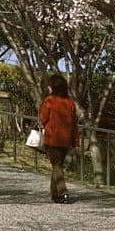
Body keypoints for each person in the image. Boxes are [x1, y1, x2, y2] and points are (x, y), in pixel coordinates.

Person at [38, 74, 79, 204]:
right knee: (58, 165)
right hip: (66, 139)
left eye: (49, 85)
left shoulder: (49, 100)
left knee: (56, 166)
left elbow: (43, 118)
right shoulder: (70, 102)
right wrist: (75, 142)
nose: (48, 87)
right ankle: (55, 194)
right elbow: (74, 123)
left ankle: (63, 192)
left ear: (53, 87)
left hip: (52, 138)